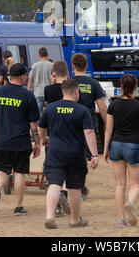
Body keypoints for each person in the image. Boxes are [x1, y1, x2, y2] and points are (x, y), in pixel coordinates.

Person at [38, 79, 99, 229]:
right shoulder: (82, 110)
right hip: (75, 154)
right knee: (74, 187)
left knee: (54, 184)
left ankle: (50, 217)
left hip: (55, 152)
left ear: (63, 92)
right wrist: (95, 155)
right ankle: (75, 220)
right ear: (76, 92)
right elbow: (89, 132)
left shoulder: (50, 108)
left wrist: (45, 138)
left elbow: (41, 128)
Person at [0, 63, 41, 216]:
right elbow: (33, 123)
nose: (27, 77)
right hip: (21, 141)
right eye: (26, 75)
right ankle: (18, 207)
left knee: (2, 170)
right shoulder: (27, 95)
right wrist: (37, 142)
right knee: (19, 172)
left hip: (2, 139)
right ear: (20, 77)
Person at [104, 75, 139, 227]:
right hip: (133, 144)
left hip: (116, 144)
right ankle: (130, 203)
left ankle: (121, 219)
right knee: (136, 184)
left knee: (119, 184)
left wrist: (105, 149)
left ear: (122, 86)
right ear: (135, 87)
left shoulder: (113, 105)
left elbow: (108, 129)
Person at [71, 53, 107, 199]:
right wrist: (107, 123)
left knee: (74, 155)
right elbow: (102, 107)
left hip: (71, 122)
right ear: (86, 66)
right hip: (88, 124)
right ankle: (80, 186)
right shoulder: (93, 83)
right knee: (85, 157)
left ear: (73, 66)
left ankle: (77, 186)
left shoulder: (69, 82)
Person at [44, 60, 71, 218]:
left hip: (53, 133)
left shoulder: (49, 89)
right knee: (68, 171)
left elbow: (46, 109)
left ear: (54, 73)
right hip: (69, 133)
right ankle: (64, 196)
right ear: (67, 72)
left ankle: (56, 207)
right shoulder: (70, 88)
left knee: (53, 171)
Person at [28, 47, 53, 115]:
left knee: (39, 114)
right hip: (49, 93)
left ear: (39, 55)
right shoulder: (52, 65)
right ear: (47, 54)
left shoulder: (34, 65)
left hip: (38, 93)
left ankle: (40, 125)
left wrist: (29, 90)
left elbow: (30, 79)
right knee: (49, 113)